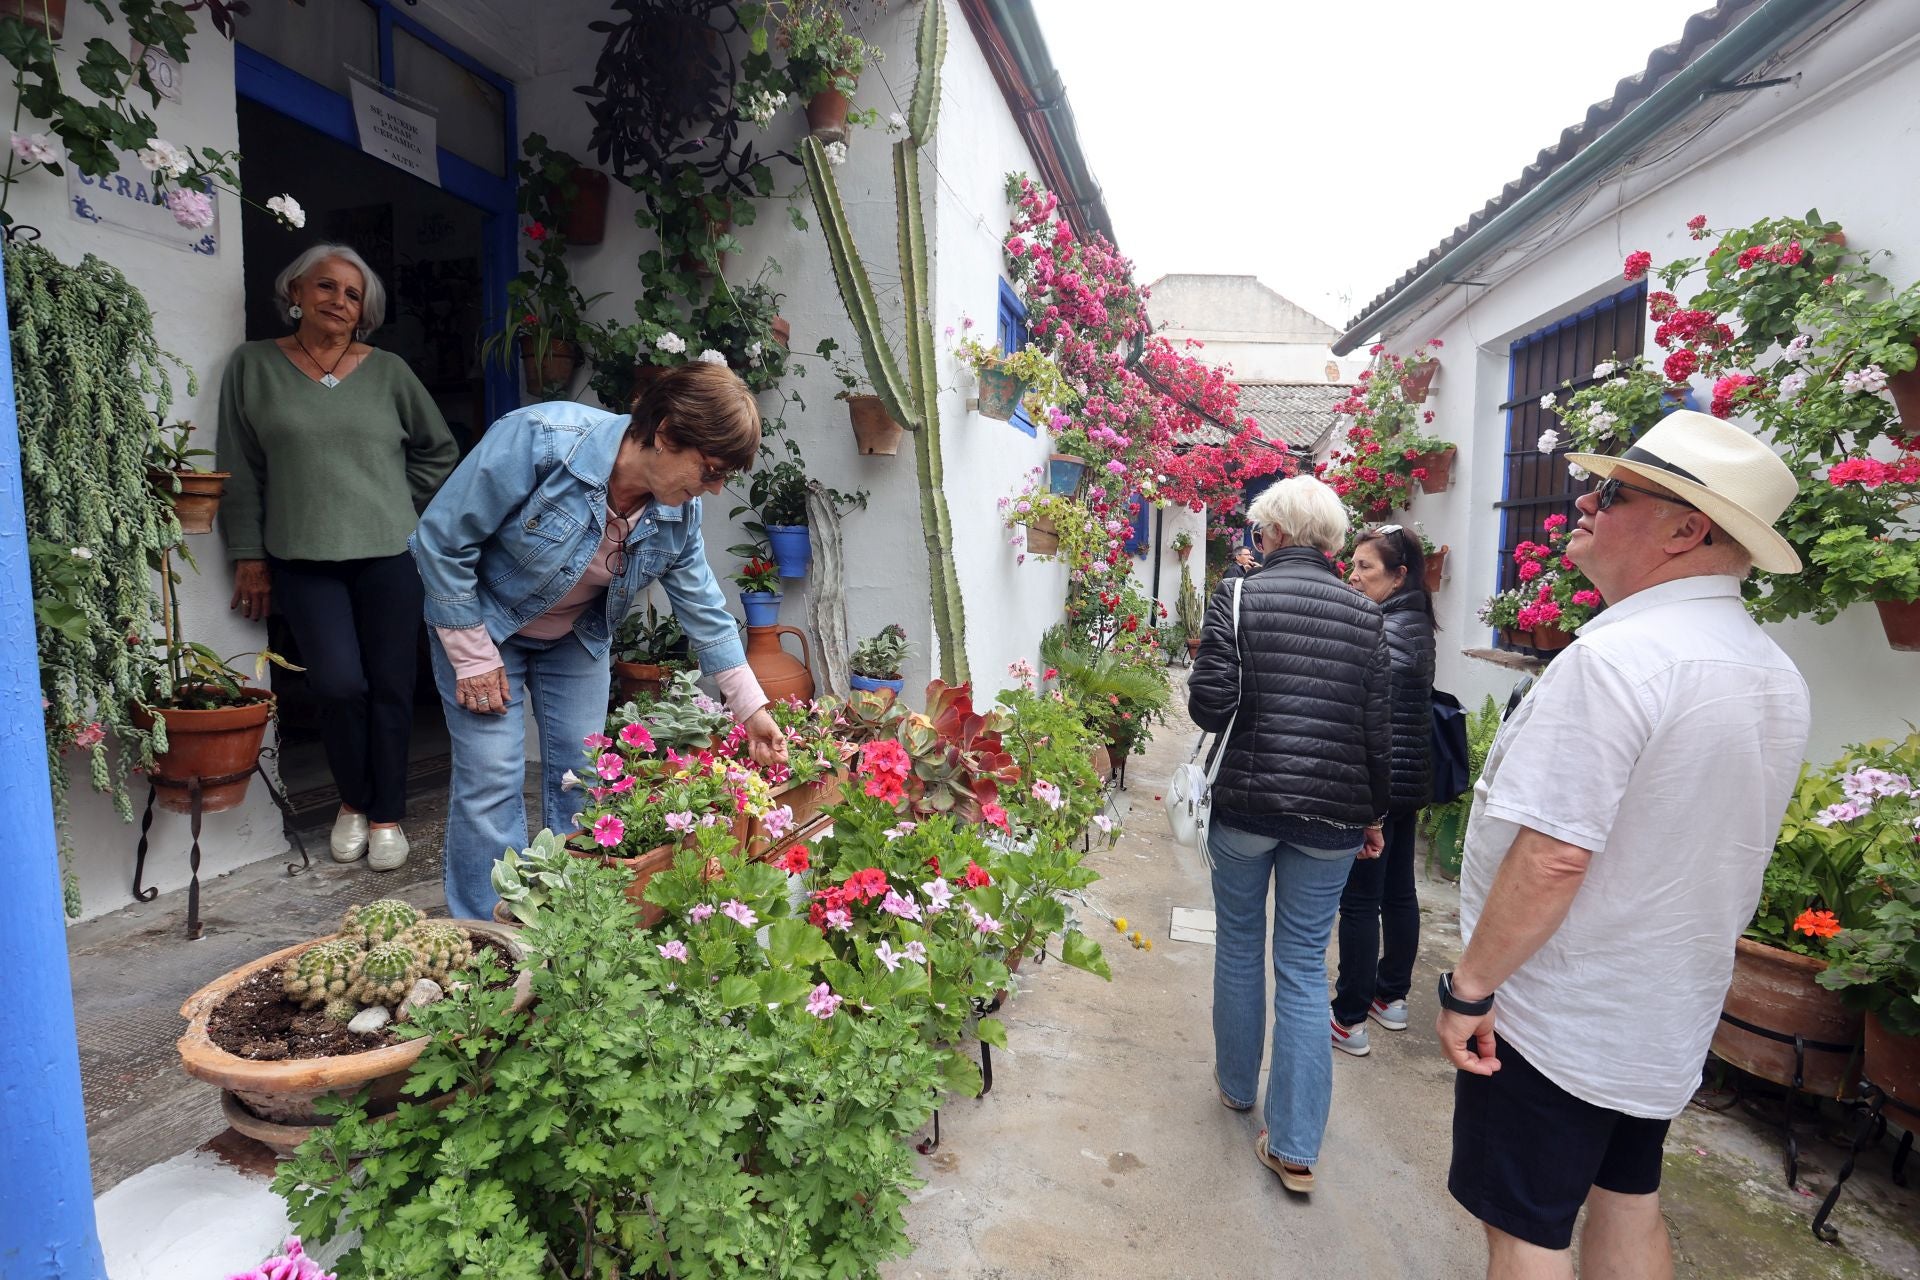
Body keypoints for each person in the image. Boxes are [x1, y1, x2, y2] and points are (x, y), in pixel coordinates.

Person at [1436, 411, 1810, 1278]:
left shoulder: (1618, 660)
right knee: (1628, 1200)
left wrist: (1471, 987)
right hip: (1661, 1013)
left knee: (1525, 1228)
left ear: (1688, 529)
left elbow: (1555, 855)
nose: (1585, 501)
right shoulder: (1771, 672)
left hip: (1559, 1012)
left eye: (1613, 492)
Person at [410, 363, 790, 922]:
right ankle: (486, 937)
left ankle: (575, 925)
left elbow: (702, 605)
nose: (713, 487)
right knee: (492, 779)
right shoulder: (541, 440)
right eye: (710, 469)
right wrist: (471, 657)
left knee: (586, 781)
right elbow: (440, 541)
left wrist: (751, 707)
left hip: (574, 637)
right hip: (484, 627)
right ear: (664, 434)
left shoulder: (678, 511)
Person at [217, 243, 458, 873]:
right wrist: (248, 554)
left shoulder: (390, 372)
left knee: (391, 687)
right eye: (326, 287)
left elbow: (439, 451)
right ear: (294, 292)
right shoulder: (253, 367)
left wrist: (394, 501)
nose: (339, 302)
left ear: (365, 312)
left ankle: (385, 816)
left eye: (354, 295)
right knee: (337, 684)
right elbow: (238, 468)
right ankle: (352, 799)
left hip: (388, 556)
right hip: (302, 555)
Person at [1188, 474, 1391, 1196]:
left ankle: (1238, 1088)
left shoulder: (1237, 596)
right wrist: (1374, 818)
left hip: (1247, 804)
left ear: (1267, 533)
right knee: (1305, 968)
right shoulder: (1368, 617)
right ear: (1335, 542)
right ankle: (1296, 1146)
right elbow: (1378, 735)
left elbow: (1211, 709)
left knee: (1241, 945)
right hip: (1334, 818)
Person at [1332, 523, 1435, 1056]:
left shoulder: (1388, 627)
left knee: (1360, 902)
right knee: (1398, 892)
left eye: (1364, 567)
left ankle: (1349, 1018)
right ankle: (1390, 997)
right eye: (1352, 564)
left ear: (1398, 575)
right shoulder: (1414, 620)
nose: (1354, 575)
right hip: (1407, 779)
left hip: (1381, 784)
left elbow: (1369, 715)